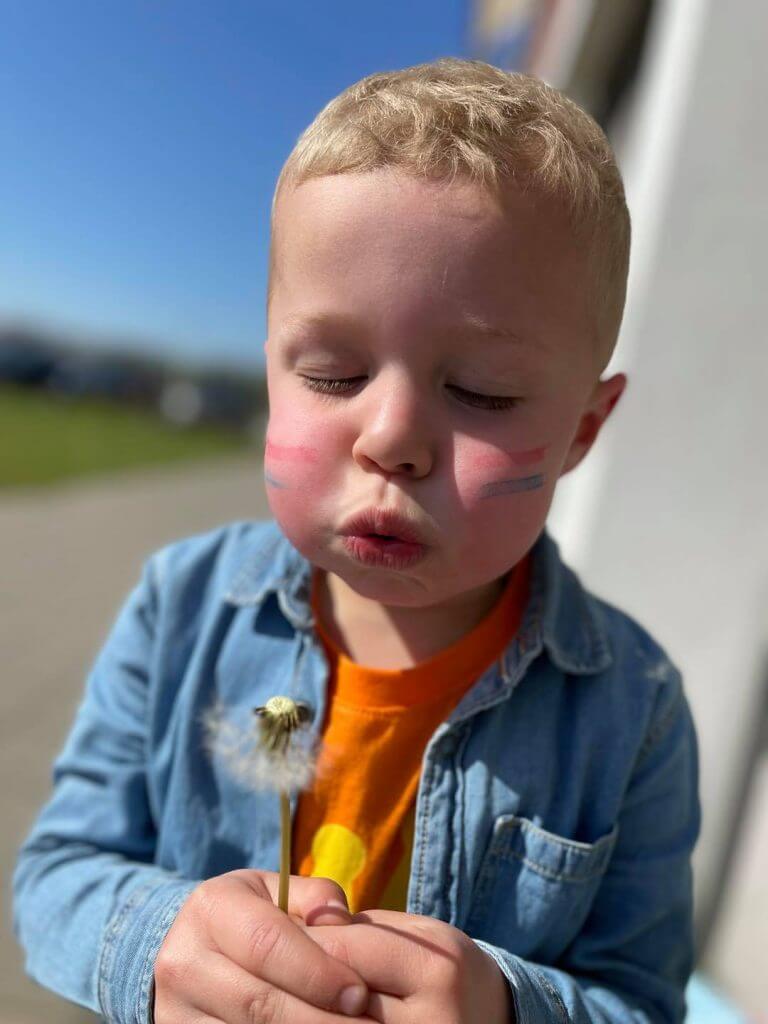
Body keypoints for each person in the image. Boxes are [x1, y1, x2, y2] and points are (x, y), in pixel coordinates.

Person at [13, 58, 700, 1024]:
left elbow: (642, 998)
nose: (390, 440)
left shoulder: (634, 712)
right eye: (333, 374)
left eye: (485, 394)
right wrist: (156, 941)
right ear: (272, 372)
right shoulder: (182, 608)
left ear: (584, 429)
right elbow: (55, 875)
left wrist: (510, 1008)